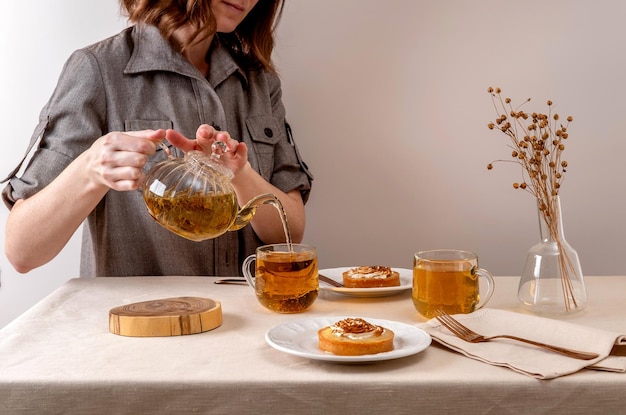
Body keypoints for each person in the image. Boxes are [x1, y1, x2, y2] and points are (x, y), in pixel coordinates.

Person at [2, 0, 312, 277]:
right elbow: (22, 252)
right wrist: (91, 168)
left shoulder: (260, 82)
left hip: (248, 323)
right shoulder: (98, 69)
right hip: (143, 330)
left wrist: (239, 174)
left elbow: (289, 235)